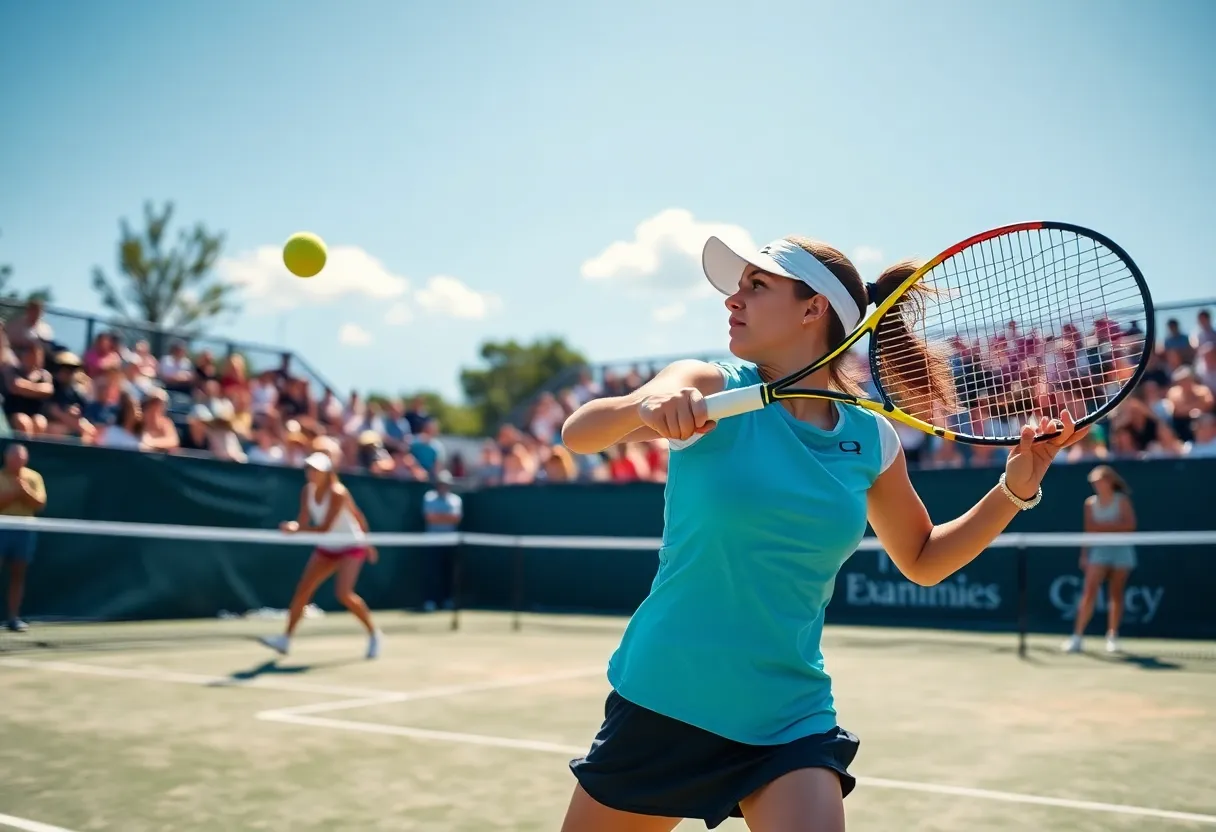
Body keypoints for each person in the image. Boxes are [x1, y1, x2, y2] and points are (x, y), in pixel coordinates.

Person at [558, 234, 1085, 832]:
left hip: (789, 716)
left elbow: (921, 558)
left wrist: (1014, 488)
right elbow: (580, 432)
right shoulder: (707, 381)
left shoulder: (872, 439)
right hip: (668, 697)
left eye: (757, 286)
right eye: (738, 287)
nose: (734, 300)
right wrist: (647, 409)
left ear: (813, 310)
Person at [258, 450, 383, 659]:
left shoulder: (338, 492)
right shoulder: (307, 491)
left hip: (351, 544)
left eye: (316, 469)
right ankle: (286, 639)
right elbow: (304, 521)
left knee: (343, 594)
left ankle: (374, 634)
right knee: (303, 590)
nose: (311, 473)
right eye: (309, 468)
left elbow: (328, 526)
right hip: (327, 546)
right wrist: (294, 525)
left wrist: (367, 543)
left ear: (327, 472)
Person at [1062, 465, 1138, 655]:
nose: (1096, 485)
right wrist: (1085, 553)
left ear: (1109, 481)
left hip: (1121, 550)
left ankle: (1112, 636)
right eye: (1093, 483)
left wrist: (1103, 527)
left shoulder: (1122, 501)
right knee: (1089, 592)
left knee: (1116, 594)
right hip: (1099, 551)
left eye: (1099, 481)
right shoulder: (1090, 503)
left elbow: (1129, 525)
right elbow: (1090, 530)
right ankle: (1077, 637)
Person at [0, 444, 47, 632]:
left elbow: (39, 504)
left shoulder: (34, 477)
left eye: (20, 459)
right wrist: (15, 493)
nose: (16, 463)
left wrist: (25, 491)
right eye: (13, 459)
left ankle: (13, 617)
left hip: (25, 530)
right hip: (2, 527)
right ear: (6, 459)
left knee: (19, 574)